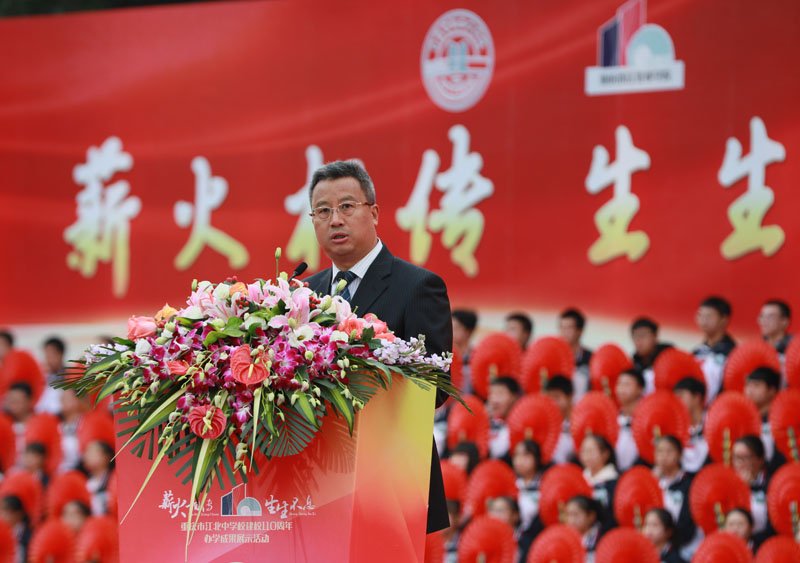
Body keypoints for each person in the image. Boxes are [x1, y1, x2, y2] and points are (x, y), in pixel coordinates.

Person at [304, 160, 453, 533]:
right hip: (317, 484)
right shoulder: (304, 294)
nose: (335, 220)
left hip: (392, 483)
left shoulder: (418, 286)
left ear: (373, 213)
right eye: (323, 211)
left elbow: (435, 385)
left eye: (346, 206)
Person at [652, 436, 696, 551]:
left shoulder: (689, 483)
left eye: (669, 451)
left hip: (683, 545)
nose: (664, 456)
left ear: (680, 454)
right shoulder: (650, 482)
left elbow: (689, 520)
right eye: (660, 451)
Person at [693, 296, 736, 404]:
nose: (703, 321)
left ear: (724, 320)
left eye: (709, 316)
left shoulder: (733, 353)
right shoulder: (696, 352)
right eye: (701, 315)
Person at [732, 436, 771, 536]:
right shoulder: (727, 486)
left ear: (760, 459)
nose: (739, 463)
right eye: (736, 457)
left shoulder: (771, 485)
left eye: (745, 458)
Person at [579, 434, 618, 523]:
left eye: (591, 451)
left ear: (605, 454)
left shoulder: (614, 481)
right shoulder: (580, 479)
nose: (587, 456)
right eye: (584, 451)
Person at [672, 377, 709, 472]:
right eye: (675, 398)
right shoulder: (676, 428)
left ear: (697, 397)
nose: (677, 401)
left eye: (681, 396)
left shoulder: (713, 422)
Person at [630, 317, 672, 393]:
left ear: (655, 336)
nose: (639, 341)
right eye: (635, 336)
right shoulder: (633, 364)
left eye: (643, 336)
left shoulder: (669, 358)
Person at [559, 308, 592, 401]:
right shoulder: (554, 358)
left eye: (568, 328)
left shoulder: (591, 359)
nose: (564, 332)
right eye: (562, 327)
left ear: (580, 331)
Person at [614, 369, 644, 471]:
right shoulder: (613, 418)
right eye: (619, 384)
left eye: (627, 384)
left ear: (640, 389)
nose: (621, 389)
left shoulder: (646, 419)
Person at [487, 376, 521, 460]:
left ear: (514, 397)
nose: (494, 400)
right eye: (491, 394)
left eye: (500, 394)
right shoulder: (488, 424)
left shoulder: (522, 427)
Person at [544, 376, 574, 464]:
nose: (553, 402)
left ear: (569, 397)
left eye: (556, 397)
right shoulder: (547, 424)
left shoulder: (578, 422)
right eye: (550, 398)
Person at [37, 336, 66, 415]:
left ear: (60, 354)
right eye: (46, 355)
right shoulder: (42, 376)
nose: (48, 359)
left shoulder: (70, 375)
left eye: (51, 355)